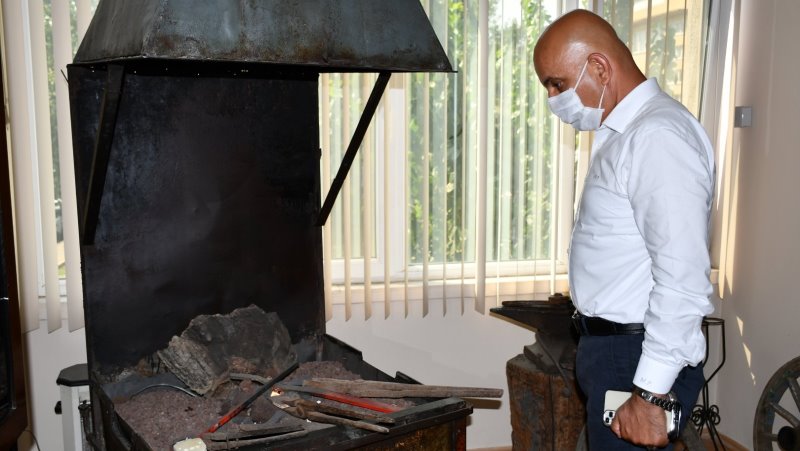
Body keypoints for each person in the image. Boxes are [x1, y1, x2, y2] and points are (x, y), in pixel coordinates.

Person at [533, 9, 715, 450]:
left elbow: (683, 278)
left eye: (557, 84)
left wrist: (650, 394)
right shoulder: (624, 130)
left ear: (599, 67)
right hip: (614, 351)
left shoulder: (658, 137)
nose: (553, 99)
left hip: (634, 356)